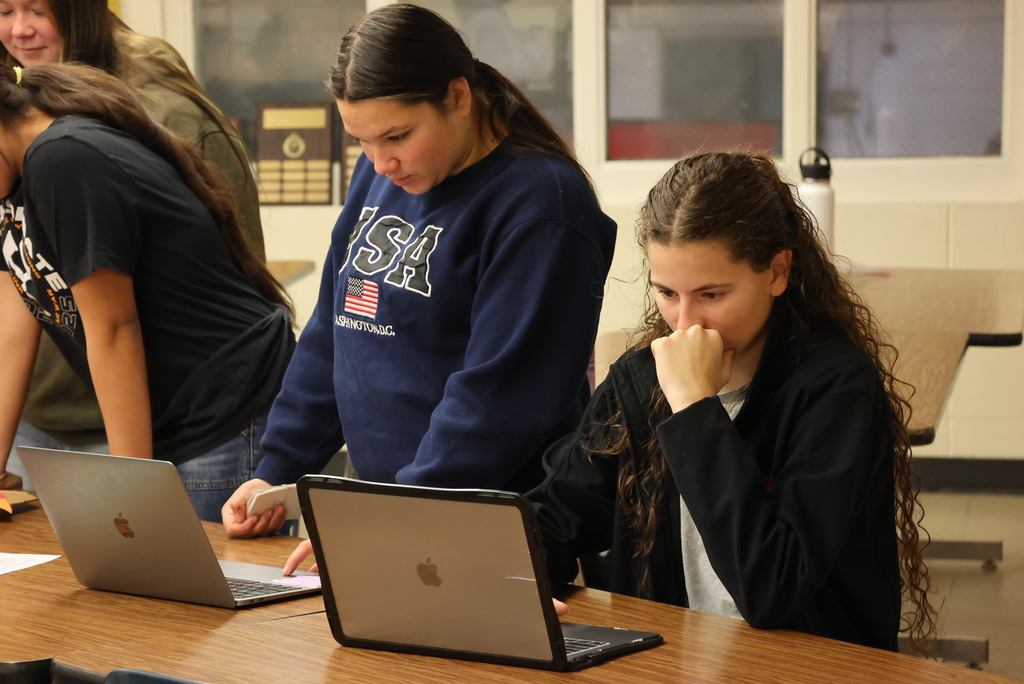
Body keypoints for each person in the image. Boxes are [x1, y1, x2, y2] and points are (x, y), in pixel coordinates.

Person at [224, 3, 616, 539]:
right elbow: (335, 334)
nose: (379, 161)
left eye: (397, 136)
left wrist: (391, 520)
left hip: (487, 521)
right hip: (394, 511)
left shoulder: (543, 208)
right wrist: (277, 469)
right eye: (360, 141)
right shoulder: (387, 173)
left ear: (458, 96)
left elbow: (496, 402)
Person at [522, 151, 937, 651]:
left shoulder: (836, 390)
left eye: (711, 295)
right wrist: (517, 587)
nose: (685, 324)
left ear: (778, 271)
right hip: (674, 661)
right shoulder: (640, 380)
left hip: (806, 666)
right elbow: (555, 519)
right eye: (668, 293)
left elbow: (774, 590)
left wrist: (695, 408)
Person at [0, 62, 294, 519]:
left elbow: (115, 329)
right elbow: (12, 327)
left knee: (182, 586)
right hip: (176, 418)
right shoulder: (12, 176)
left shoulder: (62, 158)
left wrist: (132, 497)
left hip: (219, 414)